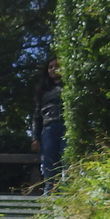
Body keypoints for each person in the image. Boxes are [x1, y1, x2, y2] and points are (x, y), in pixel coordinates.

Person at [31, 57, 65, 194]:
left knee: (68, 162)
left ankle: (68, 194)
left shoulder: (70, 86)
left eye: (56, 66)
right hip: (48, 128)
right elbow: (37, 116)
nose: (53, 69)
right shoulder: (43, 90)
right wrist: (35, 137)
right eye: (50, 67)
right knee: (49, 165)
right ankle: (49, 193)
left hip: (66, 126)